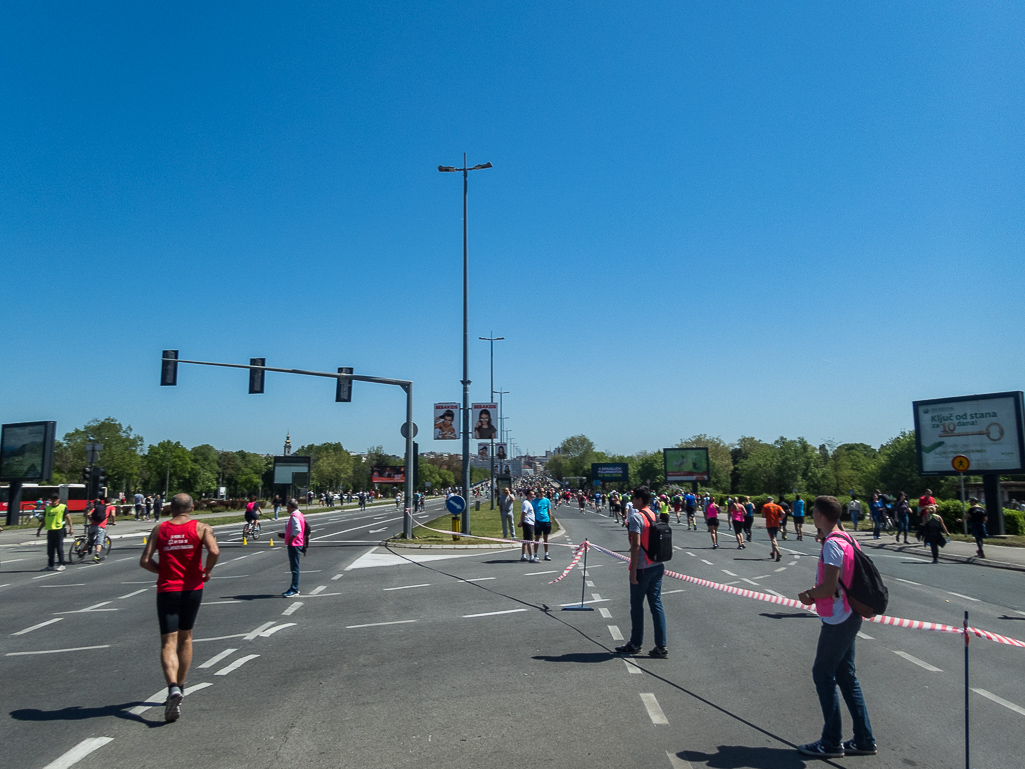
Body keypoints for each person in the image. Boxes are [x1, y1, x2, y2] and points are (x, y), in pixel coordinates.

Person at [796, 495, 876, 759]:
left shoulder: (832, 544)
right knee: (845, 676)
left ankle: (831, 742)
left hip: (838, 618)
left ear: (820, 514)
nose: (812, 515)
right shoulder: (848, 538)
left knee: (822, 674)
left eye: (813, 512)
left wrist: (809, 594)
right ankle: (864, 739)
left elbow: (829, 587)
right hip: (850, 613)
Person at [139, 493, 219, 723]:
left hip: (167, 590)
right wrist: (207, 571)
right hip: (192, 588)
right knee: (186, 638)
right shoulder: (201, 528)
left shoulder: (160, 529)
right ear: (192, 507)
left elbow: (144, 560)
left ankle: (172, 686)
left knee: (168, 641)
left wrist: (162, 571)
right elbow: (214, 551)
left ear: (170, 508)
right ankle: (181, 687)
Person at [615, 486, 668, 659]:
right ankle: (661, 645)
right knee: (656, 605)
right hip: (657, 565)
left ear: (639, 499)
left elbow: (636, 545)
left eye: (634, 498)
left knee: (637, 607)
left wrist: (633, 570)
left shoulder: (636, 518)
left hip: (643, 567)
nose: (632, 501)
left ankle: (635, 643)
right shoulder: (654, 514)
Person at [36, 494, 73, 571]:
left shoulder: (62, 507)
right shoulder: (48, 508)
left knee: (59, 548)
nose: (54, 501)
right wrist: (39, 529)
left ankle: (62, 564)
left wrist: (71, 528)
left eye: (56, 499)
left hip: (59, 530)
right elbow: (44, 520)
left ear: (58, 500)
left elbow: (68, 518)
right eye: (53, 499)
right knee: (50, 549)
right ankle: (50, 565)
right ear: (50, 500)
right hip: (51, 530)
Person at [281, 498, 308, 596]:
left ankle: (294, 589)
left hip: (295, 544)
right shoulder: (299, 514)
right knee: (295, 567)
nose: (286, 508)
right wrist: (285, 535)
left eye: (287, 506)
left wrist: (291, 541)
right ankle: (294, 588)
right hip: (298, 542)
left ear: (292, 507)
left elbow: (297, 530)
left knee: (295, 568)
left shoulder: (294, 516)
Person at [533, 489, 553, 561]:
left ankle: (546, 554)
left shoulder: (547, 500)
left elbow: (549, 511)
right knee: (537, 537)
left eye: (543, 492)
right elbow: (533, 511)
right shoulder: (535, 501)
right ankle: (535, 553)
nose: (541, 493)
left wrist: (550, 520)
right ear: (538, 492)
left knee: (546, 538)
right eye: (540, 492)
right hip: (538, 521)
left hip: (546, 520)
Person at [762, 496, 784, 562]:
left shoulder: (765, 506)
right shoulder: (777, 506)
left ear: (767, 500)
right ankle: (773, 553)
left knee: (773, 539)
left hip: (769, 524)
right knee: (774, 538)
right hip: (776, 524)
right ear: (773, 500)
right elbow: (783, 513)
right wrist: (780, 519)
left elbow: (763, 515)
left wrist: (765, 515)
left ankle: (778, 552)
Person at [519, 490, 536, 562]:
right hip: (528, 523)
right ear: (528, 495)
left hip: (530, 523)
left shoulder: (529, 503)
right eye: (532, 494)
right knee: (529, 540)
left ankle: (523, 556)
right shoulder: (526, 503)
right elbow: (524, 513)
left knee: (525, 540)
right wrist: (521, 522)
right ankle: (531, 557)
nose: (533, 495)